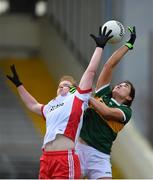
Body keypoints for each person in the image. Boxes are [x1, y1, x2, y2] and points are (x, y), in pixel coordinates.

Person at [6, 26, 113, 179]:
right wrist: (19, 86)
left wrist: (99, 47)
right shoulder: (51, 106)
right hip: (46, 159)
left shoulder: (77, 97)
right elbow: (32, 105)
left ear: (73, 89)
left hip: (65, 158)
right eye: (60, 85)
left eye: (67, 85)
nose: (62, 86)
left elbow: (90, 71)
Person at [75, 26, 136, 179]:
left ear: (129, 98)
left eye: (125, 86)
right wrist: (128, 45)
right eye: (120, 83)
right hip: (79, 149)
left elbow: (106, 112)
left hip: (100, 157)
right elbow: (109, 65)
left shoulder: (125, 112)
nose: (120, 85)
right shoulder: (103, 94)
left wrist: (85, 96)